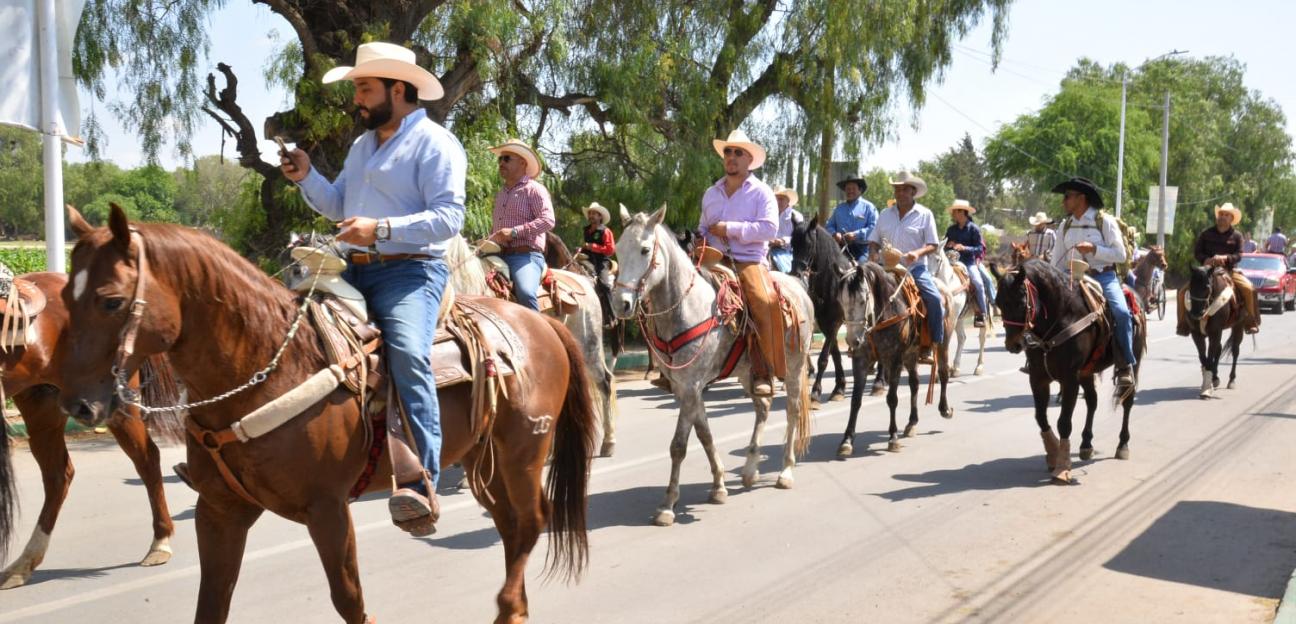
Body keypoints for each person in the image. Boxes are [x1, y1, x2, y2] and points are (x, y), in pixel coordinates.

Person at [280, 41, 466, 532]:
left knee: (407, 352)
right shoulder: (362, 146)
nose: (357, 99)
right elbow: (341, 207)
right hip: (350, 267)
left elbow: (449, 218)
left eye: (364, 88)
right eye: (358, 88)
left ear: (397, 89)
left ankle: (421, 478)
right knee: (291, 330)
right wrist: (307, 176)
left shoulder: (436, 143)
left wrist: (381, 231)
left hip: (410, 271)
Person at [697, 129, 784, 397]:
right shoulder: (711, 193)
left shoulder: (762, 192)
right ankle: (676, 364)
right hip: (712, 256)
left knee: (763, 300)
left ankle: (764, 369)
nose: (731, 157)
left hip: (748, 261)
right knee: (675, 289)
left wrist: (730, 229)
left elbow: (770, 229)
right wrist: (699, 240)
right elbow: (702, 227)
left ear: (749, 160)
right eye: (727, 152)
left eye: (737, 152)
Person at [1049, 177, 1136, 392]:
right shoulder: (1065, 225)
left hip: (1103, 277)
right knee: (1046, 310)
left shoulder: (1104, 221)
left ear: (1082, 198)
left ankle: (1125, 364)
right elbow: (1056, 260)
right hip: (1072, 278)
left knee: (1122, 313)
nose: (1064, 201)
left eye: (1068, 196)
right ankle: (1041, 359)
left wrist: (1094, 250)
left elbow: (1120, 254)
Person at [868, 171, 943, 360]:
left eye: (904, 190)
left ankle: (932, 343)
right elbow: (874, 240)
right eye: (897, 189)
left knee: (933, 299)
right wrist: (873, 253)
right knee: (859, 294)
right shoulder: (885, 214)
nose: (900, 193)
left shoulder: (925, 214)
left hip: (914, 268)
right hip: (886, 267)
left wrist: (917, 253)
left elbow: (933, 245)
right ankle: (863, 343)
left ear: (913, 191)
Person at [488, 139, 555, 311]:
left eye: (507, 158)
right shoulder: (501, 194)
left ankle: (538, 335)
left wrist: (515, 232)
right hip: (497, 255)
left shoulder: (534, 189)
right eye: (500, 160)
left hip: (526, 257)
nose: (501, 163)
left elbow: (548, 220)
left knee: (525, 293)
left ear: (523, 163)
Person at [1180, 202, 1260, 335]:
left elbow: (1239, 255)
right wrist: (1206, 259)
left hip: (1228, 271)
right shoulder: (1206, 233)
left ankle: (1251, 321)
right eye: (1221, 214)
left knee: (1249, 289)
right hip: (1207, 270)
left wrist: (1225, 258)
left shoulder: (1237, 236)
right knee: (1182, 291)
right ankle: (1183, 323)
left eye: (1226, 215)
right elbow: (1197, 252)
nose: (1222, 217)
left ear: (1231, 219)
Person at [944, 199, 987, 328]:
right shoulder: (951, 229)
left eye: (955, 211)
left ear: (963, 212)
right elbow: (944, 246)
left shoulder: (974, 229)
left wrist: (964, 248)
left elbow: (979, 248)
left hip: (968, 262)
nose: (953, 214)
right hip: (951, 262)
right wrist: (948, 245)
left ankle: (982, 314)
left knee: (978, 283)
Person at [825, 173, 878, 264]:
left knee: (861, 271)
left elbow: (874, 227)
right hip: (840, 247)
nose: (850, 191)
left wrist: (856, 234)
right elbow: (829, 225)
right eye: (847, 189)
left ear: (860, 190)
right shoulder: (839, 208)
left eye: (853, 188)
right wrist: (834, 233)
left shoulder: (869, 207)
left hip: (862, 250)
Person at [580, 202, 616, 289]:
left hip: (601, 263)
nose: (591, 215)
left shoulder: (606, 231)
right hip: (587, 259)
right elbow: (586, 246)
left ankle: (608, 302)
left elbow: (610, 250)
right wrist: (581, 249)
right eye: (590, 213)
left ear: (600, 217)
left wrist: (593, 247)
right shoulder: (587, 230)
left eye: (594, 213)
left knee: (605, 286)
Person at [769, 185, 803, 273]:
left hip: (788, 252)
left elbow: (800, 237)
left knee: (788, 272)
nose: (778, 202)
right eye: (776, 199)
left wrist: (783, 241)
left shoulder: (796, 216)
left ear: (788, 201)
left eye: (781, 199)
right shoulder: (768, 215)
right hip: (766, 249)